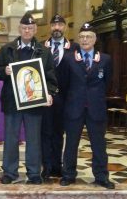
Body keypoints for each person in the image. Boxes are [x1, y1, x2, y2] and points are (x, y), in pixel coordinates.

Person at [0, 12, 58, 185]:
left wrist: (50, 93)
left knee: (33, 139)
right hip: (12, 102)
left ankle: (34, 173)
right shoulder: (7, 49)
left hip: (34, 101)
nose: (27, 31)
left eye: (30, 28)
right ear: (19, 29)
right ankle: (9, 172)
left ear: (35, 29)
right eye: (24, 28)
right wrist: (4, 71)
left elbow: (51, 77)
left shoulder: (44, 52)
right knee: (11, 138)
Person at [60, 23, 115, 189]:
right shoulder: (69, 58)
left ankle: (101, 176)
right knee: (71, 144)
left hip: (96, 109)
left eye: (88, 36)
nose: (85, 40)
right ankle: (68, 175)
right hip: (74, 108)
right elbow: (63, 84)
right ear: (78, 38)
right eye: (82, 37)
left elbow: (108, 83)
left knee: (99, 144)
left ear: (95, 39)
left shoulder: (105, 59)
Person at [41, 14, 79, 182]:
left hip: (66, 99)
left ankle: (57, 166)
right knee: (46, 132)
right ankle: (46, 167)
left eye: (60, 25)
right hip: (45, 98)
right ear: (50, 27)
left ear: (65, 27)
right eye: (54, 24)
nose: (57, 28)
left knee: (59, 133)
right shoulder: (41, 47)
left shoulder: (75, 48)